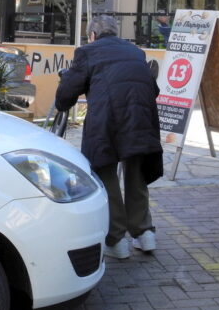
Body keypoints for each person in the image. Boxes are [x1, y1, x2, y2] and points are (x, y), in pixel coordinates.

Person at [55, 15, 163, 259]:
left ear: (92, 34)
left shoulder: (87, 52)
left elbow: (67, 93)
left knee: (106, 175)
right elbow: (152, 89)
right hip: (141, 119)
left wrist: (62, 98)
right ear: (115, 33)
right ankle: (144, 234)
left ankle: (116, 240)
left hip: (108, 122)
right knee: (136, 173)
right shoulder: (136, 52)